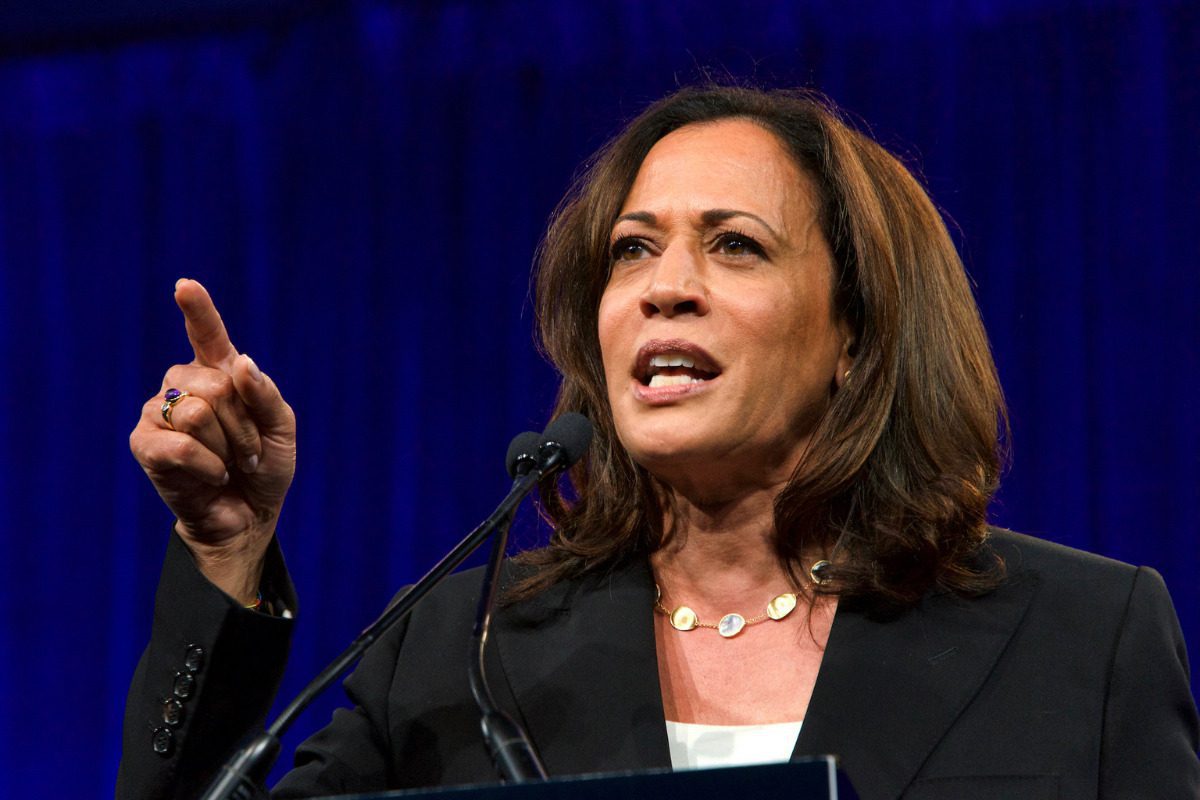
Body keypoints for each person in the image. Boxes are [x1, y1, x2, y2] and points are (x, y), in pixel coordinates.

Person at [119, 86, 1200, 799]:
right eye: (633, 250)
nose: (664, 288)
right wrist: (226, 544)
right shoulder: (466, 647)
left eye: (735, 245)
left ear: (857, 335)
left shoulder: (1082, 642)